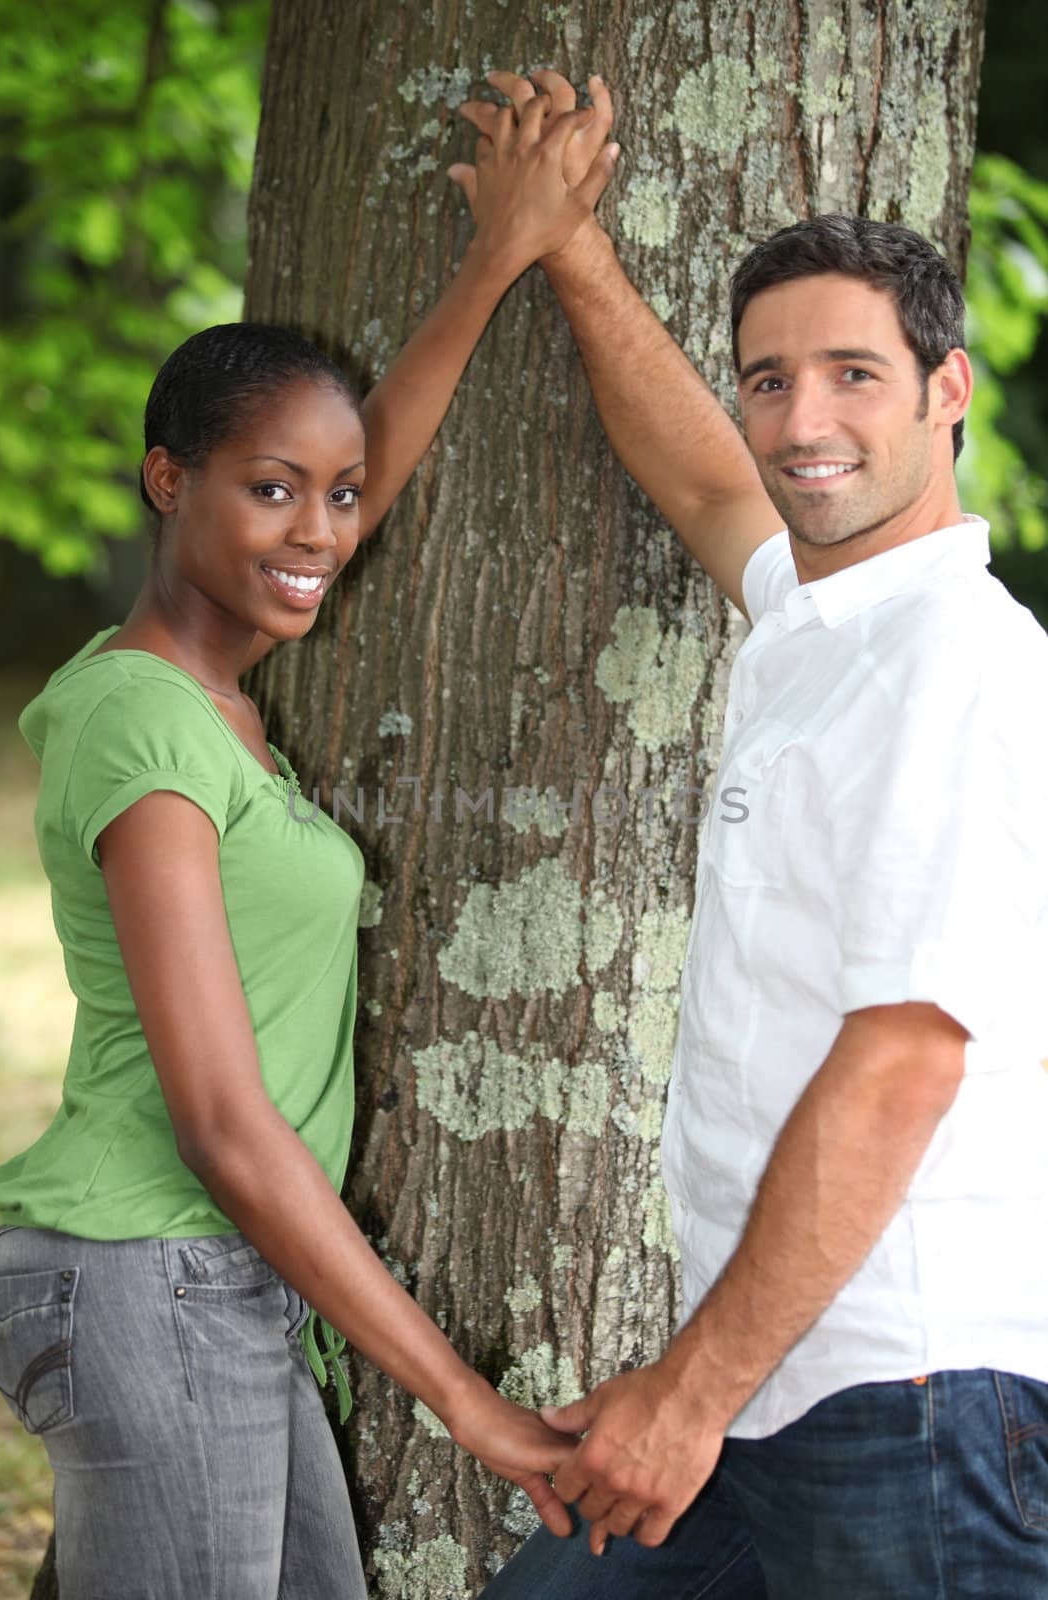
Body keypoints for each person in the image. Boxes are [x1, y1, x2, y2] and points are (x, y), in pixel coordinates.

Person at [0, 103, 616, 1600]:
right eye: (270, 488)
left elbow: (346, 473)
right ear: (165, 482)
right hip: (153, 1268)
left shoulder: (207, 700)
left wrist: (503, 254)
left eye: (337, 498)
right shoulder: (145, 733)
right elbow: (221, 1121)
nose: (321, 530)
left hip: (217, 1287)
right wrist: (460, 1397)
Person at [449, 70, 1048, 1598]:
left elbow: (907, 1057)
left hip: (911, 1391)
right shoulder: (825, 615)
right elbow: (708, 479)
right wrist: (562, 243)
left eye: (854, 374)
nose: (803, 420)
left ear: (950, 390)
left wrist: (686, 1396)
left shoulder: (958, 661)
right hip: (772, 1374)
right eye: (770, 378)